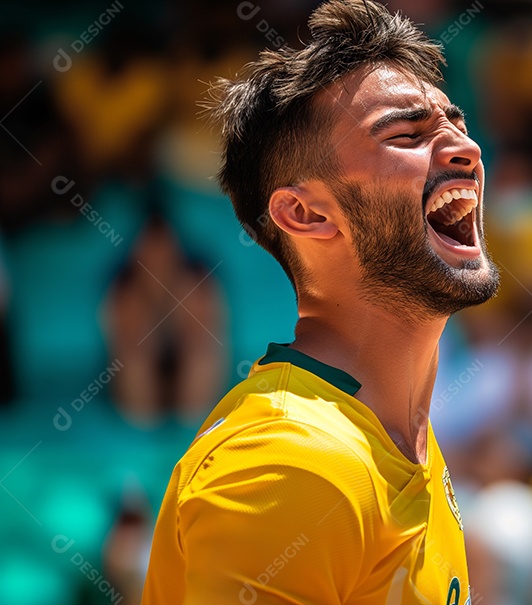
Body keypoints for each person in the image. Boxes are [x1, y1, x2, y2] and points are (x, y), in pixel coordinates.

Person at [142, 1, 499, 602]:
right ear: (305, 214)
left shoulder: (398, 439)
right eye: (406, 134)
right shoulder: (290, 464)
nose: (465, 149)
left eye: (456, 125)